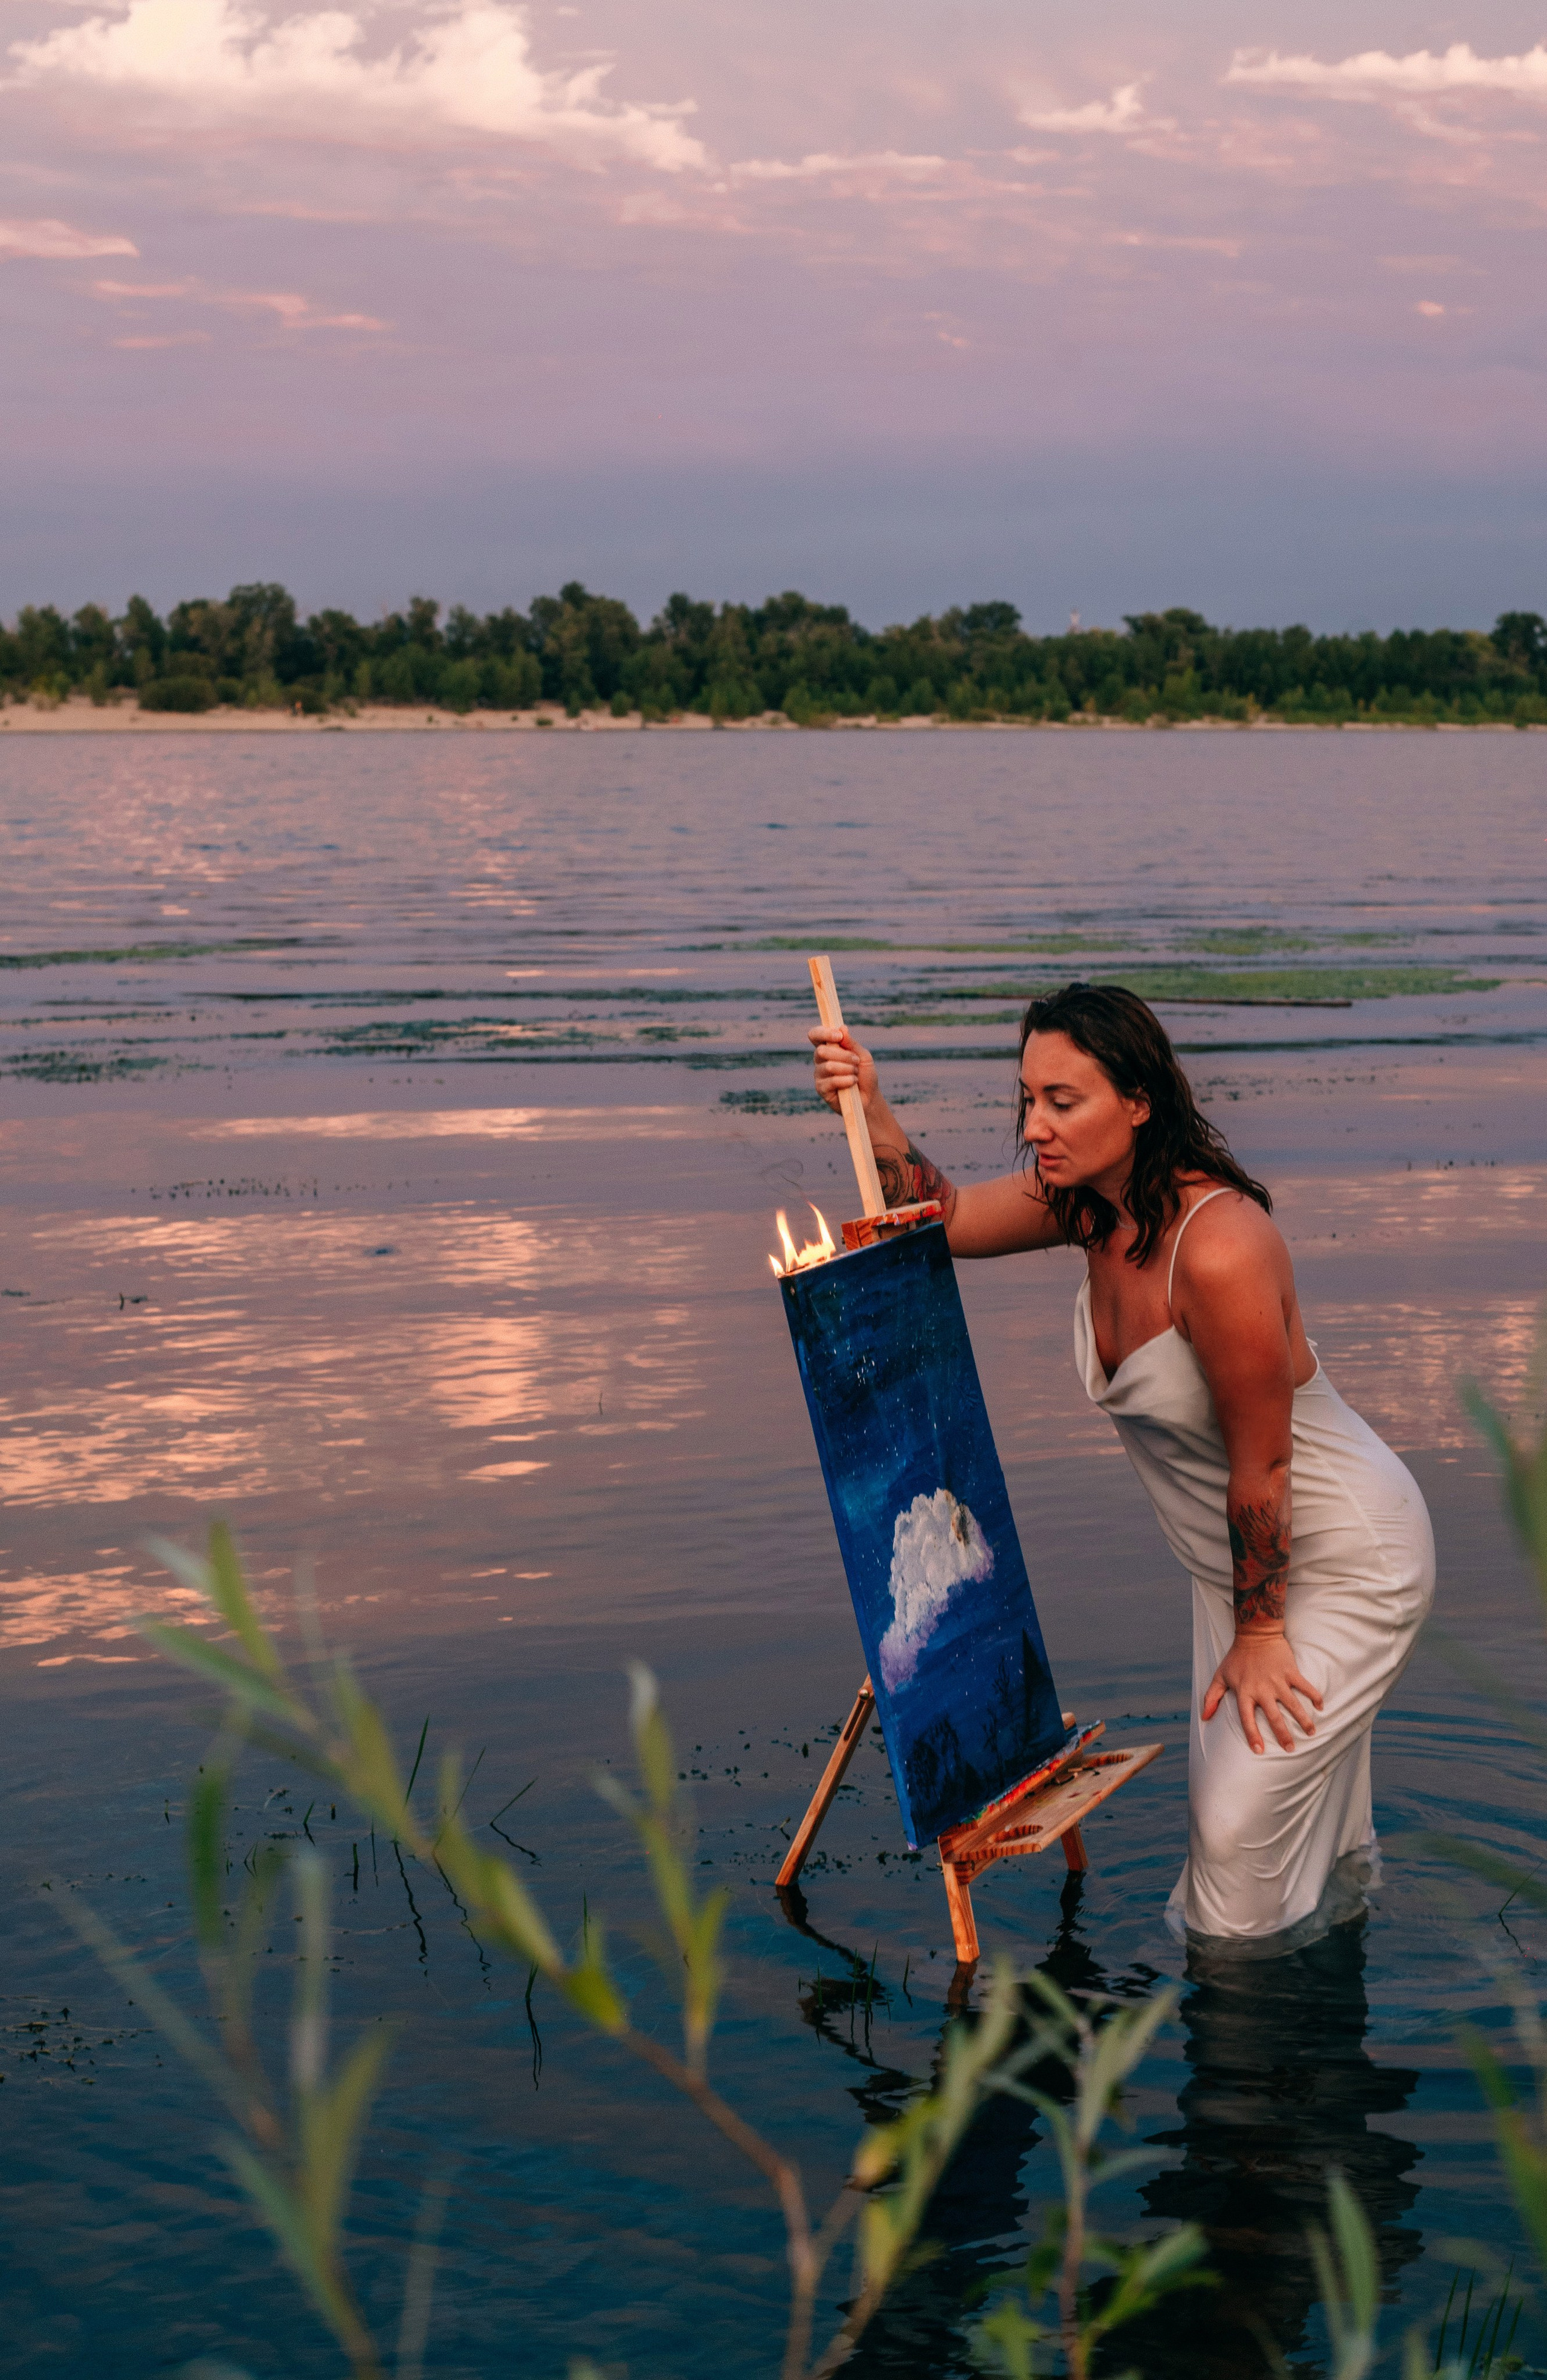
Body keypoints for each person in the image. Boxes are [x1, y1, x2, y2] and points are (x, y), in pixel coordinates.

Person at [810, 982, 1435, 1949]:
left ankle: (1244, 2049)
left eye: (1065, 1101)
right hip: (1239, 1571)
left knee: (1233, 1842)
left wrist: (1260, 1631)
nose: (1037, 1127)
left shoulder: (1218, 1247)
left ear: (1139, 1101)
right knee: (1281, 1832)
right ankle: (1318, 2008)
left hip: (1341, 1557)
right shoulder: (1090, 1209)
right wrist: (876, 1108)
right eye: (1029, 1100)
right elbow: (946, 1218)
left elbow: (1264, 1465)